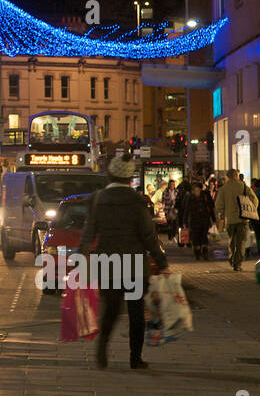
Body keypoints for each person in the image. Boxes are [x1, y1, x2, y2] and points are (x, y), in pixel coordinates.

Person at [76, 152, 169, 370]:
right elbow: (148, 236)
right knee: (136, 312)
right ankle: (135, 358)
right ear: (130, 178)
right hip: (135, 264)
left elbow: (89, 232)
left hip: (108, 264)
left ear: (109, 175)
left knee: (111, 309)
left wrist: (80, 255)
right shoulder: (137, 201)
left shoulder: (98, 199)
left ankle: (102, 347)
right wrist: (161, 262)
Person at [215, 169, 255, 271]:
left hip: (230, 220)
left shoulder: (223, 189)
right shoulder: (243, 186)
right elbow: (254, 199)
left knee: (232, 241)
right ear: (237, 175)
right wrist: (252, 210)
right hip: (243, 219)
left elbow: (218, 205)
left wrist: (224, 212)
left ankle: (232, 257)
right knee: (241, 242)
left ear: (228, 177)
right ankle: (238, 263)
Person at [183, 178, 215, 259]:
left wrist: (213, 219)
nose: (196, 191)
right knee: (195, 237)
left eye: (198, 190)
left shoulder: (205, 197)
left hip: (204, 220)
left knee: (204, 236)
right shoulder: (190, 198)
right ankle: (197, 253)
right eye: (195, 190)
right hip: (194, 221)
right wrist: (185, 221)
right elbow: (186, 210)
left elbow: (210, 208)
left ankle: (205, 252)